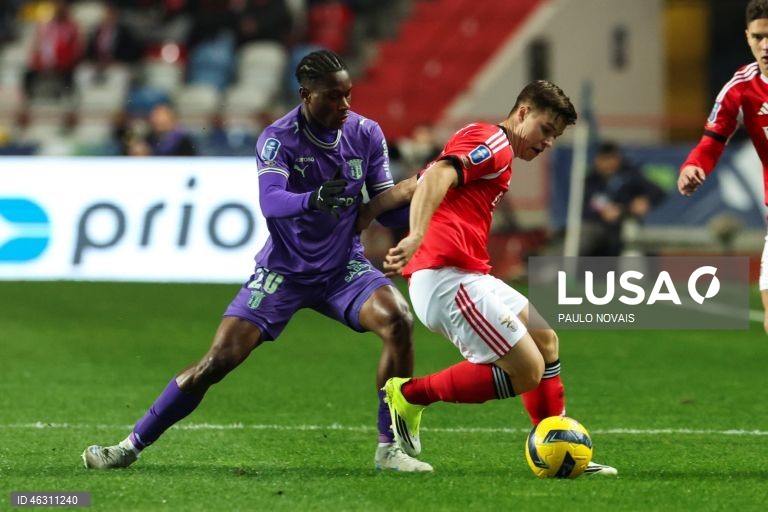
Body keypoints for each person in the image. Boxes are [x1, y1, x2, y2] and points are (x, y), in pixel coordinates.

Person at [82, 49, 432, 472]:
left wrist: (421, 195)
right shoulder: (278, 138)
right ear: (306, 95)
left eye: (348, 95)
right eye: (333, 96)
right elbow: (272, 201)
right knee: (217, 362)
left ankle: (389, 448)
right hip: (283, 272)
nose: (344, 105)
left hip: (343, 267)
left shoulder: (366, 133)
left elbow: (383, 208)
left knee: (399, 321)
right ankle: (129, 446)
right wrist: (314, 198)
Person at [361, 80, 617, 475]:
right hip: (447, 279)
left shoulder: (484, 143)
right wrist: (416, 235)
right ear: (522, 113)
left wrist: (363, 215)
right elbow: (436, 176)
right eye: (546, 129)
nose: (548, 142)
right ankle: (409, 395)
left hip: (468, 274)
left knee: (545, 338)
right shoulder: (494, 143)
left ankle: (557, 442)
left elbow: (415, 183)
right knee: (527, 371)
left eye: (555, 136)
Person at [678, 0, 768, 334]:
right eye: (758, 37)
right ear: (747, 37)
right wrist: (692, 165)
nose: (765, 46)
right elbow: (712, 141)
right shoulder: (741, 88)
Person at [581, 141, 665, 256]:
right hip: (599, 227)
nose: (609, 163)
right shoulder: (590, 182)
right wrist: (601, 213)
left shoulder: (629, 175)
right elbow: (583, 209)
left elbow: (656, 191)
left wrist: (645, 199)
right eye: (605, 159)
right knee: (587, 236)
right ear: (597, 160)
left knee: (645, 243)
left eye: (613, 158)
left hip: (627, 223)